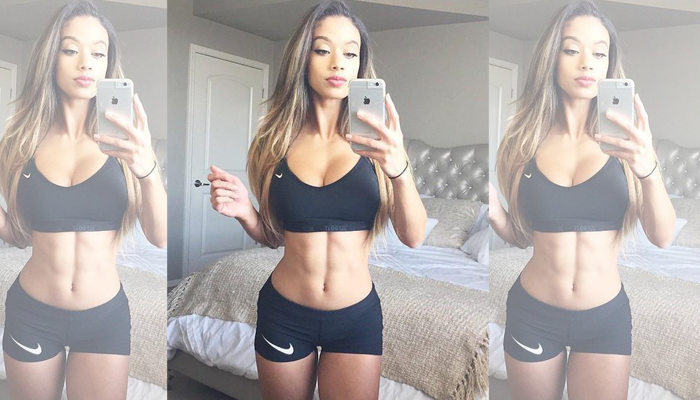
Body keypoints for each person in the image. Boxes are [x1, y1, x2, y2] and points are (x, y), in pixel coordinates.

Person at [207, 1, 427, 399]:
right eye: (323, 49)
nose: (338, 63)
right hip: (284, 312)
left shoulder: (381, 146)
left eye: (350, 53)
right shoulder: (274, 141)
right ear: (302, 58)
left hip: (355, 318)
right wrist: (246, 213)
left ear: (360, 65)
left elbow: (413, 237)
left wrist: (399, 169)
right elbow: (275, 237)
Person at [489, 1, 676, 399]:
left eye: (599, 53)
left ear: (609, 64)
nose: (587, 62)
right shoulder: (523, 141)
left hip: (604, 319)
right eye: (572, 49)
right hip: (532, 313)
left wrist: (647, 168)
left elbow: (662, 237)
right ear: (551, 57)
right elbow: (522, 236)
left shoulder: (630, 145)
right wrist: (492, 210)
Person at [0, 1, 167, 399]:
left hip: (103, 318)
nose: (85, 63)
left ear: (108, 65)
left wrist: (146, 168)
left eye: (98, 53)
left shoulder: (129, 144)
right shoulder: (19, 142)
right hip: (31, 312)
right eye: (71, 49)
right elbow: (20, 235)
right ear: (51, 57)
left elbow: (159, 236)